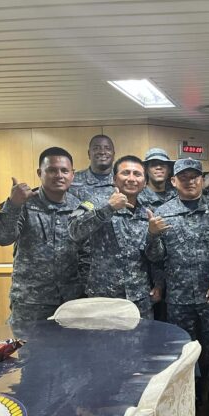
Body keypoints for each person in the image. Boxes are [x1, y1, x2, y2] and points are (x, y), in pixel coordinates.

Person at [146, 158, 209, 416]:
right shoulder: (163, 213)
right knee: (182, 354)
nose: (190, 181)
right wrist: (152, 235)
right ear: (174, 181)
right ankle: (189, 400)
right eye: (183, 177)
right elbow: (155, 259)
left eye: (195, 176)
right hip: (179, 297)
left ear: (201, 179)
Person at [0, 147, 87, 324]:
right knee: (26, 343)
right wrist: (13, 205)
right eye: (52, 170)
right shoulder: (23, 204)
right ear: (40, 173)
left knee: (72, 343)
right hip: (31, 303)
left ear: (72, 175)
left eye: (64, 171)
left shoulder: (80, 208)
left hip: (70, 302)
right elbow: (2, 237)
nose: (59, 175)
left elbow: (86, 254)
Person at [68, 155, 155, 318]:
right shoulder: (95, 202)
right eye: (125, 173)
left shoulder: (148, 212)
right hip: (104, 297)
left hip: (139, 297)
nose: (131, 178)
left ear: (144, 182)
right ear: (114, 179)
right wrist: (109, 208)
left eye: (137, 174)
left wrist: (154, 235)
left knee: (143, 335)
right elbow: (74, 231)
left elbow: (153, 256)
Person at [138, 147, 177, 320]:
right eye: (154, 164)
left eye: (163, 164)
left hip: (177, 275)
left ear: (169, 170)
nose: (159, 167)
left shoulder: (178, 194)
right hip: (146, 275)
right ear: (146, 169)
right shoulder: (138, 198)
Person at [69, 134, 116, 203]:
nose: (102, 152)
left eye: (107, 148)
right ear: (89, 154)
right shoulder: (73, 180)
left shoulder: (124, 180)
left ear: (114, 154)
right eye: (96, 148)